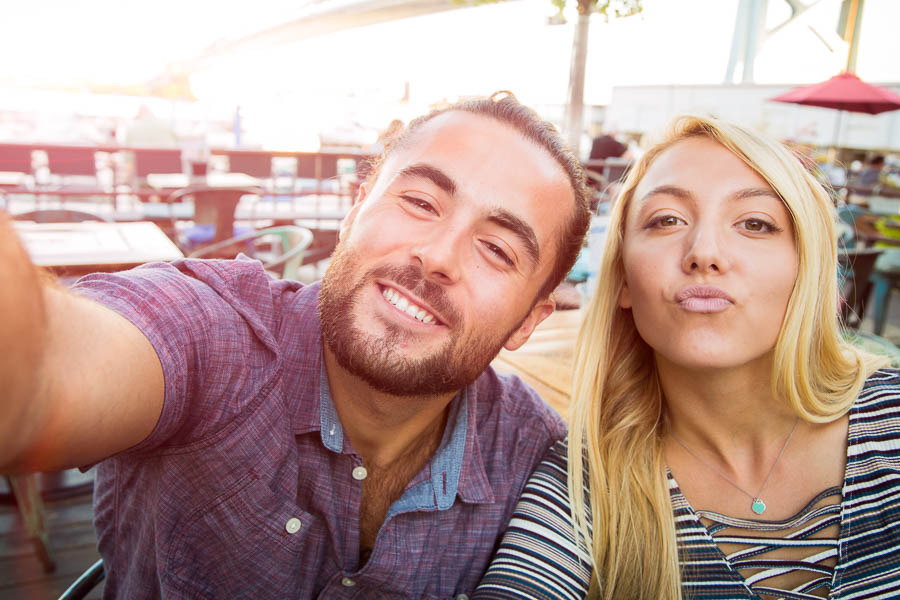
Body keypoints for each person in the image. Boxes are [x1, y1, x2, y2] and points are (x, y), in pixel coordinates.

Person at [0, 92, 592, 599]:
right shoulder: (215, 334)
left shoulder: (533, 451)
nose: (438, 256)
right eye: (419, 203)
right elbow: (42, 369)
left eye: (498, 250)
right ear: (357, 206)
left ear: (529, 321)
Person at [475, 115, 900, 600]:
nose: (705, 252)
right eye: (667, 220)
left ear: (805, 267)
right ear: (624, 279)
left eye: (755, 224)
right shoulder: (580, 492)